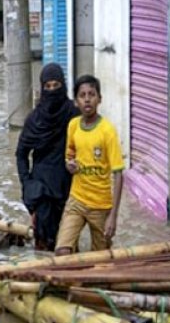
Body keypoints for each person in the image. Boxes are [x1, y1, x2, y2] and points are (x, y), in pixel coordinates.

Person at [55, 75, 124, 254]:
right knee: (62, 250)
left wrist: (113, 217)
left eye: (91, 94)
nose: (87, 99)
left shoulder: (107, 131)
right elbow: (69, 154)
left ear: (99, 99)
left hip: (101, 206)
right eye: (82, 95)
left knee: (100, 261)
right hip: (76, 200)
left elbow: (118, 174)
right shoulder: (73, 126)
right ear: (76, 101)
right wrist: (68, 164)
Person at [15, 63, 79, 251]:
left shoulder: (74, 115)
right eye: (47, 86)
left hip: (68, 188)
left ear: (63, 86)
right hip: (41, 190)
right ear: (42, 88)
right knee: (43, 245)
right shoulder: (34, 120)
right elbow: (21, 154)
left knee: (68, 244)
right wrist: (27, 184)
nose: (52, 91)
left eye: (56, 86)